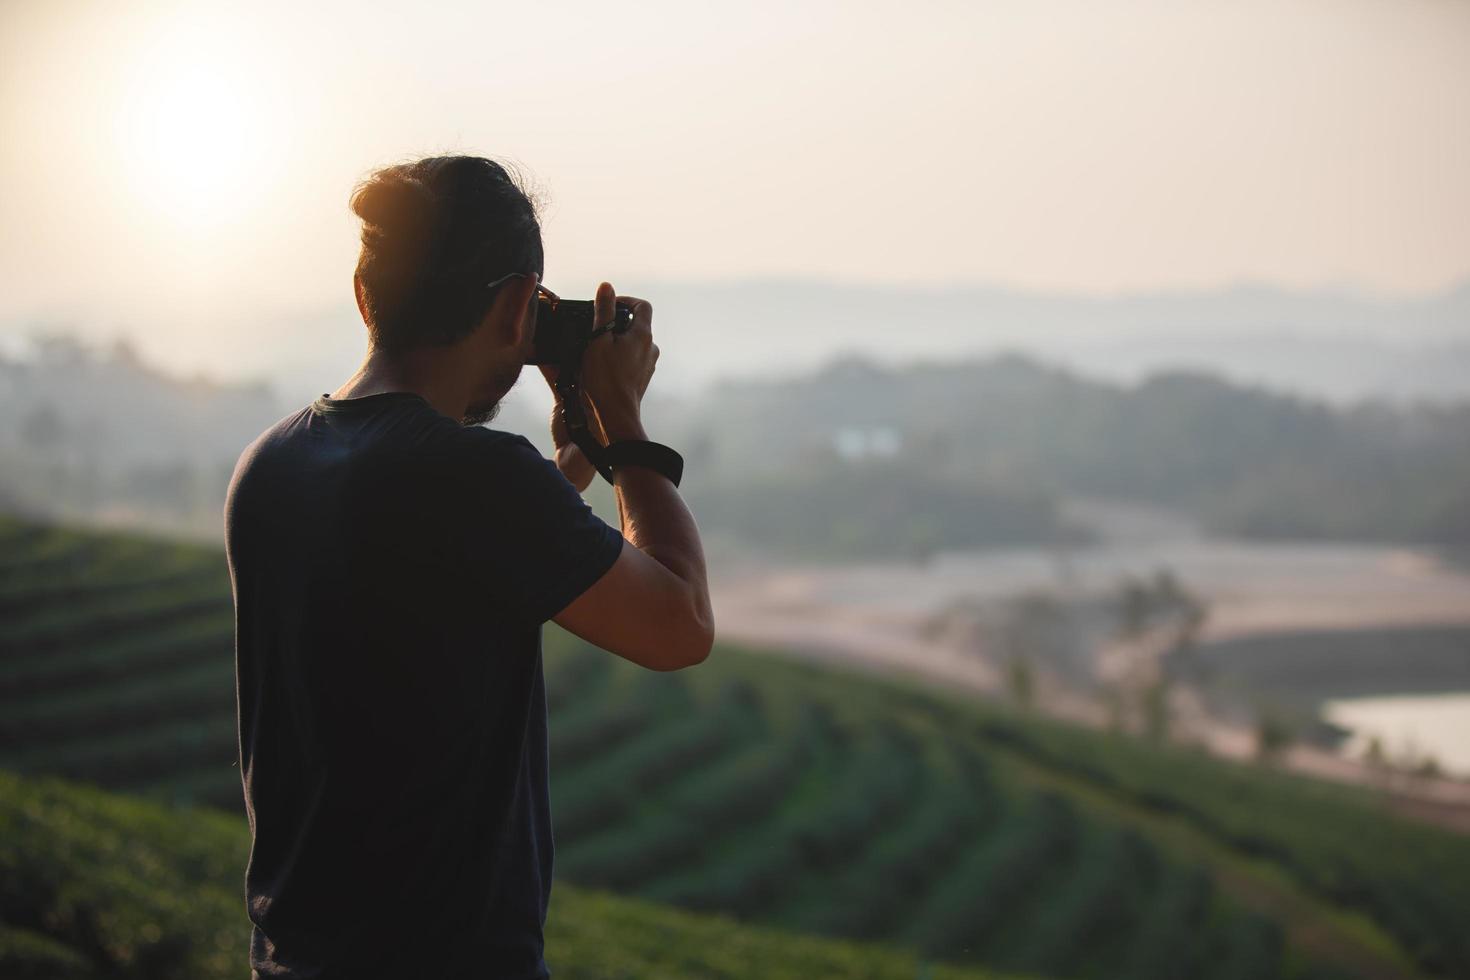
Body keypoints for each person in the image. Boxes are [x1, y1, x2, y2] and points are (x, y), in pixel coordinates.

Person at [223, 154, 713, 979]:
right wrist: (624, 424)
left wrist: (569, 470)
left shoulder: (272, 463)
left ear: (365, 295)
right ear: (523, 304)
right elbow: (680, 626)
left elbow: (431, 567)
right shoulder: (476, 477)